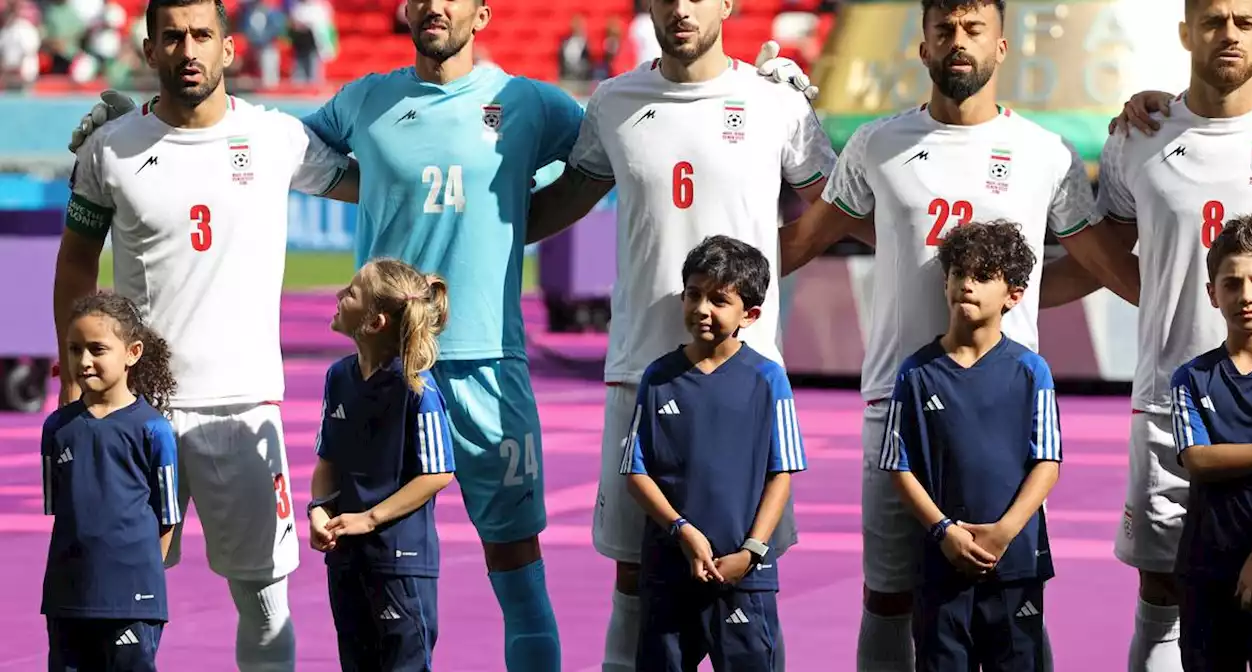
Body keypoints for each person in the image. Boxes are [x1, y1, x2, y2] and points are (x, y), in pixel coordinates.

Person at [64, 0, 815, 662]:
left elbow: (621, 144)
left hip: (489, 362)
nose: (434, 7)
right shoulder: (361, 102)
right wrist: (127, 125)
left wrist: (764, 87)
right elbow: (248, 135)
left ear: (482, 14)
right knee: (374, 572)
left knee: (518, 572)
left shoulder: (533, 104)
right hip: (386, 374)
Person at [771, 1, 1102, 667]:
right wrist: (699, 289)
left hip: (1004, 419)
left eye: (974, 30)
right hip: (896, 408)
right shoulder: (876, 143)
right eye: (944, 30)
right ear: (921, 47)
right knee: (888, 597)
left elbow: (1101, 266)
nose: (958, 42)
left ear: (1002, 47)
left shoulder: (1046, 154)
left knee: (1011, 599)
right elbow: (802, 242)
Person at [523, 0, 834, 667]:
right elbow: (561, 202)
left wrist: (767, 270)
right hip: (640, 370)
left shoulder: (775, 103)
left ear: (727, 4)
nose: (682, 8)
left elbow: (837, 204)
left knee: (748, 571)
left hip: (746, 380)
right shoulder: (614, 101)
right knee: (634, 578)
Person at [51, 1, 356, 669]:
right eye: (172, 37)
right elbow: (76, 257)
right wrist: (76, 377)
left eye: (201, 36)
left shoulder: (276, 138)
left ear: (227, 48)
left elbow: (371, 182)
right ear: (149, 49)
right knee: (118, 599)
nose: (187, 49)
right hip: (136, 411)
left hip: (242, 406)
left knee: (265, 600)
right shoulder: (111, 148)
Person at [1051, 2, 1252, 669]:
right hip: (1170, 403)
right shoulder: (1138, 134)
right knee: (1162, 594)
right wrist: (1009, 299)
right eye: (1213, 19)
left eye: (1244, 19)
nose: (1229, 33)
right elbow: (1107, 258)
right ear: (1185, 32)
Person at [620, 235, 808, 671]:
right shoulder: (658, 376)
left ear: (751, 313)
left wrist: (752, 550)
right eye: (694, 295)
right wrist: (682, 531)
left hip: (744, 575)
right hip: (670, 572)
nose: (702, 308)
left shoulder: (768, 379)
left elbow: (782, 472)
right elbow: (635, 470)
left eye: (719, 299)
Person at [880, 220, 1061, 671]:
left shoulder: (1031, 370)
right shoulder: (916, 373)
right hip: (942, 564)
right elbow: (898, 465)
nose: (966, 284)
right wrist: (944, 532)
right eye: (959, 273)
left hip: (1015, 562)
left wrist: (1004, 532)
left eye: (983, 276)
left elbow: (1048, 462)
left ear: (1013, 295)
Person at [308, 258, 456, 671]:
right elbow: (328, 461)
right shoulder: (338, 377)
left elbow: (438, 472)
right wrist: (319, 508)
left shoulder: (417, 389)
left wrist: (370, 518)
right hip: (346, 558)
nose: (339, 295)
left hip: (399, 563)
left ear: (375, 322)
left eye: (352, 292)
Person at [42, 292, 181, 672]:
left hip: (132, 601)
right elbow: (61, 509)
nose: (83, 361)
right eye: (74, 349)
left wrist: (138, 578)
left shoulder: (153, 428)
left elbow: (167, 517)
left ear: (132, 352)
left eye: (97, 349)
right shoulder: (57, 428)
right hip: (67, 597)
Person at [1169, 212, 1252, 671]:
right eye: (1231, 284)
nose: (1246, 295)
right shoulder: (1191, 377)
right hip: (1205, 566)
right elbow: (1198, 459)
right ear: (1213, 294)